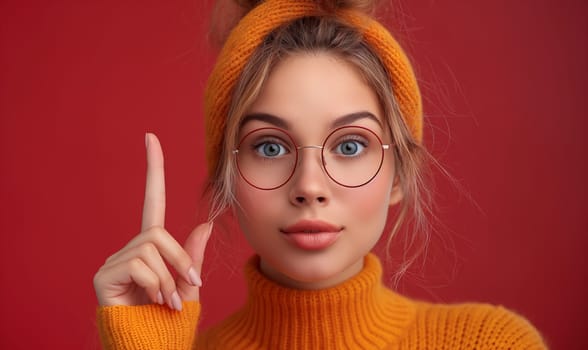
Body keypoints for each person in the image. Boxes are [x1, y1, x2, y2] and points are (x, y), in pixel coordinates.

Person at [93, 0, 548, 348]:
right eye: (270, 147)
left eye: (351, 146)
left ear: (399, 176)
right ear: (227, 179)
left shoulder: (492, 342)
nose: (310, 187)